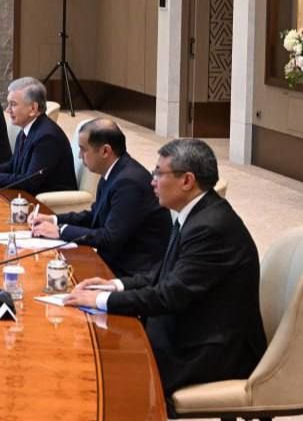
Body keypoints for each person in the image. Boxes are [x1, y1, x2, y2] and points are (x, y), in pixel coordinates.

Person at [65, 138, 267, 397]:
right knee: (100, 343)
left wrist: (100, 300)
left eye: (159, 174)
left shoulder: (210, 227)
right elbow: (164, 273)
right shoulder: (195, 212)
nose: (152, 182)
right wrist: (115, 285)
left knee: (108, 369)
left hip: (211, 349)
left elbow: (169, 296)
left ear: (187, 181)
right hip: (192, 328)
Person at [28, 119, 170, 279]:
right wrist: (54, 220)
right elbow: (95, 216)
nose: (79, 155)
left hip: (131, 273)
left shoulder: (129, 182)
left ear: (105, 151)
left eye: (83, 149)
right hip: (113, 259)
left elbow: (110, 238)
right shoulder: (114, 172)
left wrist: (61, 231)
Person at [0, 77, 76, 195]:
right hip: (27, 196)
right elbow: (13, 165)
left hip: (49, 201)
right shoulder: (26, 130)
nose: (8, 110)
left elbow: (29, 181)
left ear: (33, 108)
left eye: (13, 104)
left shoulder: (47, 137)